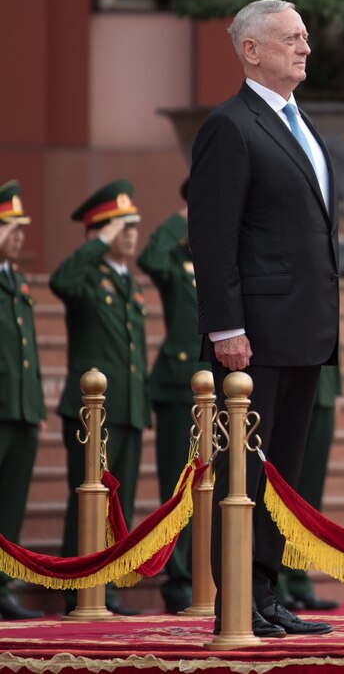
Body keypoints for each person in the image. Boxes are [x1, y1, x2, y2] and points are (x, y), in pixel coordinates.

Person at [187, 0, 338, 638]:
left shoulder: (301, 124)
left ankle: (269, 593)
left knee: (284, 474)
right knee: (244, 472)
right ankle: (238, 598)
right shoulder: (231, 124)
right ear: (252, 50)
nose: (305, 47)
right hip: (254, 338)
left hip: (304, 330)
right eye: (291, 38)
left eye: (306, 37)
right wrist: (226, 327)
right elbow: (213, 235)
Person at [50, 179, 148, 616]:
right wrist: (98, 243)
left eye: (132, 226)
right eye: (120, 227)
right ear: (99, 231)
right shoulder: (86, 276)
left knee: (116, 505)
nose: (131, 234)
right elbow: (60, 280)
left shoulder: (127, 282)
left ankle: (105, 585)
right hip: (92, 414)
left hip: (126, 409)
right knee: (88, 502)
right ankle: (78, 586)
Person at [137, 178, 209, 614]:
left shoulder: (219, 261)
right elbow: (150, 258)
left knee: (213, 489)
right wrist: (180, 221)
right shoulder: (175, 258)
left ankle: (206, 574)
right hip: (178, 386)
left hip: (218, 393)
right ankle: (179, 579)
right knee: (176, 488)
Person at [0, 180, 45, 620]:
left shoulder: (18, 282)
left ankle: (1, 585)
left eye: (20, 227)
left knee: (11, 503)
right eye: (9, 226)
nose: (18, 235)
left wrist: (36, 408)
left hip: (21, 410)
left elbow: (26, 352)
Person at [278, 364, 341, 612]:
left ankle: (297, 577)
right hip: (288, 377)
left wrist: (335, 390)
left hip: (323, 387)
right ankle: (274, 579)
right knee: (281, 493)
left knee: (309, 496)